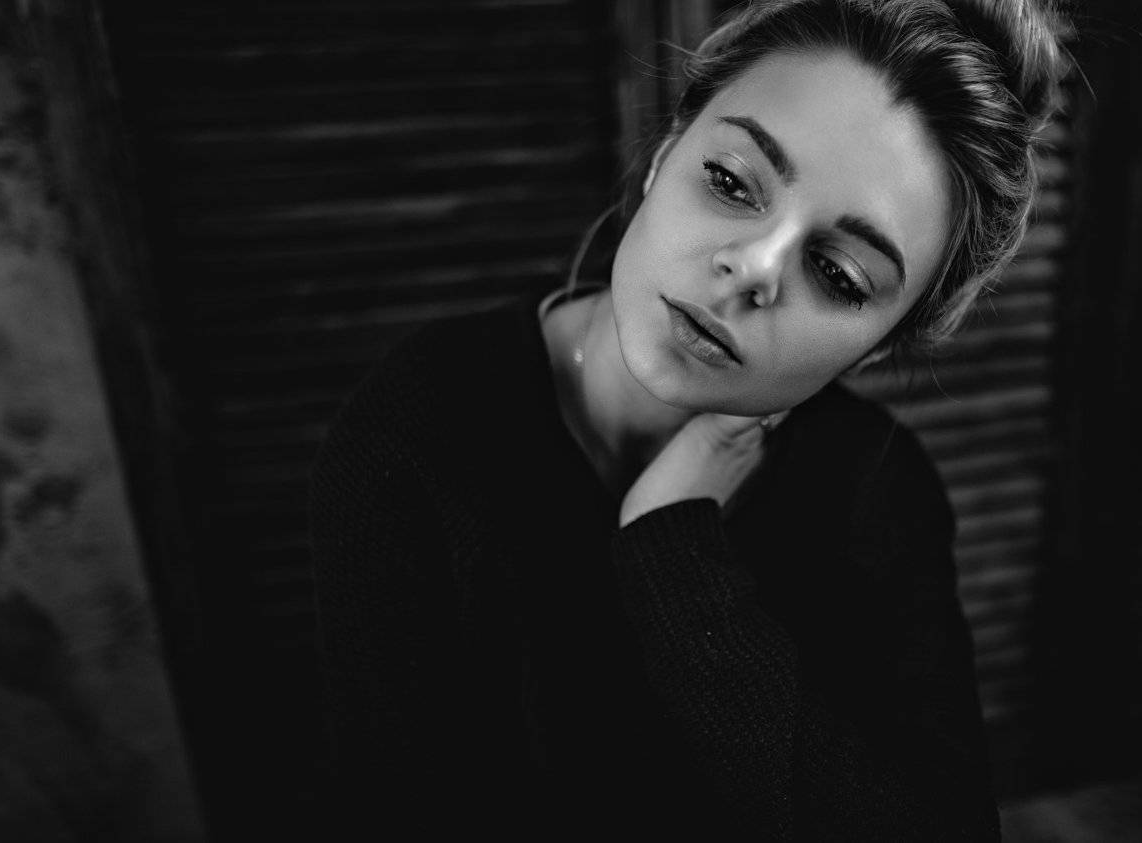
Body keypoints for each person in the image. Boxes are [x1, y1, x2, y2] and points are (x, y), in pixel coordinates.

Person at [307, 0, 1069, 838]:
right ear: (667, 150)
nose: (754, 267)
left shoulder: (879, 492)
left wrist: (674, 553)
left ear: (878, 346)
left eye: (840, 274)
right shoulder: (420, 430)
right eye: (732, 182)